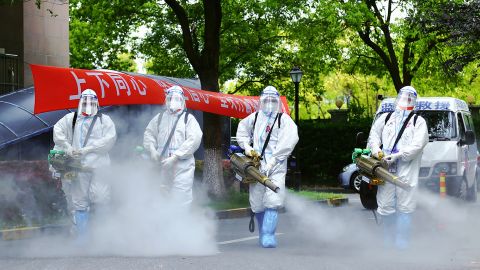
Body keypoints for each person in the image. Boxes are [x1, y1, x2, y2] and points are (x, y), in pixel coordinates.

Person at [236, 85, 299, 248]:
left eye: (272, 100)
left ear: (277, 101)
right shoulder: (255, 118)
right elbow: (242, 131)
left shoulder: (283, 120)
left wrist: (272, 162)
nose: (269, 103)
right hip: (256, 167)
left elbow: (288, 142)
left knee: (273, 199)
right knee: (257, 203)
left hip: (276, 167)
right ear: (261, 101)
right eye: (266, 100)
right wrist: (248, 148)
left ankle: (269, 235)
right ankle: (262, 233)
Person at [367, 86, 428, 250]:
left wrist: (398, 155)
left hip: (406, 171)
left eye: (410, 97)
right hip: (386, 170)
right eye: (403, 96)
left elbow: (417, 145)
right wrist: (377, 151)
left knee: (405, 207)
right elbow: (373, 135)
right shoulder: (386, 118)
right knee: (386, 205)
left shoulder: (418, 122)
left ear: (414, 101)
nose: (405, 100)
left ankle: (402, 245)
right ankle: (388, 243)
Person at [52, 89, 117, 240]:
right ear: (80, 102)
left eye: (91, 102)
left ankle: (103, 235)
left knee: (100, 197)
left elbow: (109, 140)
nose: (88, 105)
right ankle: (82, 237)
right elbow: (58, 132)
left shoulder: (104, 120)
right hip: (78, 167)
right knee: (79, 201)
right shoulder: (71, 119)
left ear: (97, 103)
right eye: (85, 102)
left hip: (100, 167)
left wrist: (87, 149)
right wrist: (68, 147)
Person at [143, 85, 202, 206]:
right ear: (166, 100)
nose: (173, 101)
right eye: (170, 98)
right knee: (160, 198)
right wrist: (152, 150)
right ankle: (163, 224)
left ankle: (179, 224)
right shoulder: (159, 118)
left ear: (182, 100)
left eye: (177, 98)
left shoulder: (188, 119)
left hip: (182, 166)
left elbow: (194, 139)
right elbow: (149, 134)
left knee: (181, 199)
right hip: (161, 164)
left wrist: (176, 156)